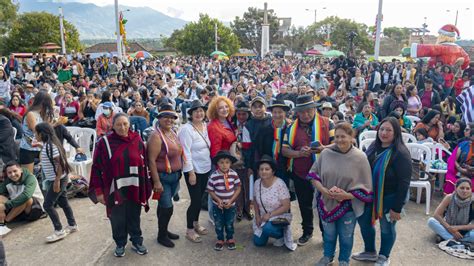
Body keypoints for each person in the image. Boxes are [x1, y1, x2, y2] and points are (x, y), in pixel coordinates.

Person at [310, 123, 373, 266]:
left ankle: (344, 261)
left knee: (346, 236)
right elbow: (314, 175)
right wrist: (324, 191)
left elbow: (367, 187)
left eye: (343, 136)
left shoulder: (360, 157)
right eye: (336, 137)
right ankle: (327, 257)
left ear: (352, 137)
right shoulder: (326, 154)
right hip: (326, 202)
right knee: (329, 234)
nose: (339, 140)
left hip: (348, 206)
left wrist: (346, 196)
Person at [90, 113, 152, 257]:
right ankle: (120, 243)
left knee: (134, 215)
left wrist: (146, 185)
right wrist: (99, 191)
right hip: (114, 188)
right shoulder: (105, 143)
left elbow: (144, 164)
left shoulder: (137, 140)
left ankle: (137, 241)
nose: (122, 127)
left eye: (125, 124)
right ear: (112, 125)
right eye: (119, 124)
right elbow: (96, 168)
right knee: (117, 217)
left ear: (129, 124)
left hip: (134, 186)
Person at [352, 117, 412, 266]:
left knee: (387, 227)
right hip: (371, 194)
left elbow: (404, 183)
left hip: (391, 196)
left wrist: (396, 208)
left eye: (389, 130)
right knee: (364, 221)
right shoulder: (374, 146)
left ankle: (384, 256)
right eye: (382, 129)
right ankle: (370, 252)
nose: (384, 133)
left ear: (396, 132)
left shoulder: (401, 153)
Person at [282, 95, 335, 246]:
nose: (305, 114)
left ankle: (327, 235)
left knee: (325, 205)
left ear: (314, 109)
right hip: (301, 173)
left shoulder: (328, 123)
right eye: (302, 111)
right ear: (297, 112)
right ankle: (307, 232)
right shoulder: (291, 127)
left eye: (308, 111)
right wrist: (299, 153)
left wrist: (322, 148)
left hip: (323, 174)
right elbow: (284, 150)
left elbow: (337, 143)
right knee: (304, 205)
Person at [147, 104, 184, 248]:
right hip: (163, 178)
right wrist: (156, 182)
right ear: (159, 118)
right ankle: (161, 236)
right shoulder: (156, 136)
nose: (169, 120)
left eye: (171, 117)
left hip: (175, 176)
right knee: (167, 207)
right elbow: (151, 160)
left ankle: (164, 230)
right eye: (165, 117)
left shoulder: (172, 132)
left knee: (164, 206)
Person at [35, 122, 77, 243]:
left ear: (41, 134)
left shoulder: (51, 146)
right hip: (56, 179)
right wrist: (40, 146)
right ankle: (72, 225)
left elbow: (60, 165)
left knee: (47, 205)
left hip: (57, 179)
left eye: (36, 133)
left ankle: (59, 230)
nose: (35, 135)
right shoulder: (48, 145)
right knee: (63, 202)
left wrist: (57, 181)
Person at [177, 100, 211, 243]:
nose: (199, 113)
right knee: (195, 201)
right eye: (196, 111)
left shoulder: (205, 126)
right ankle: (189, 230)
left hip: (205, 168)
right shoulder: (186, 129)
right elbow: (185, 152)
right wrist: (190, 172)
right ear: (190, 113)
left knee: (200, 198)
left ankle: (196, 223)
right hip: (193, 170)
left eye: (201, 111)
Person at [252, 155, 296, 250]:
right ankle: (268, 230)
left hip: (280, 217)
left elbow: (286, 206)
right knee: (258, 242)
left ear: (273, 171)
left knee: (268, 229)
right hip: (264, 217)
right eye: (261, 169)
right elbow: (255, 201)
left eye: (267, 169)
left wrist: (270, 214)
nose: (263, 171)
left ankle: (280, 236)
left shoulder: (280, 184)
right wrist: (257, 216)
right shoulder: (257, 183)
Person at [207, 150, 241, 251]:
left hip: (231, 204)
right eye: (221, 162)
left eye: (227, 162)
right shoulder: (213, 176)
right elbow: (210, 190)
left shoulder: (234, 174)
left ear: (230, 163)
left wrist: (231, 200)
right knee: (218, 222)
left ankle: (230, 238)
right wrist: (217, 200)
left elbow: (238, 187)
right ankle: (220, 239)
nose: (224, 165)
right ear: (217, 163)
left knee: (230, 222)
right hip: (217, 205)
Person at [0, 161, 44, 236]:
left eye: (15, 171)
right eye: (9, 173)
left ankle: (4, 223)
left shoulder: (30, 178)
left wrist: (5, 206)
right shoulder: (8, 180)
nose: (13, 174)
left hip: (34, 209)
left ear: (20, 170)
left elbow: (26, 195)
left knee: (26, 199)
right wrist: (1, 209)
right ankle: (2, 221)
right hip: (18, 209)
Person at [428, 178, 473, 243]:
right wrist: (450, 229)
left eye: (468, 188)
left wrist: (457, 228)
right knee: (431, 221)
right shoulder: (449, 197)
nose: (465, 191)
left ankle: (445, 238)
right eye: (462, 188)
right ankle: (456, 241)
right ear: (456, 188)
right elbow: (437, 215)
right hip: (447, 227)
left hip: (464, 231)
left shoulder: (473, 201)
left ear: (471, 190)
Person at [19, 91, 54, 173]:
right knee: (28, 177)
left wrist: (52, 121)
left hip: (40, 147)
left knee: (44, 174)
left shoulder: (41, 114)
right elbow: (37, 131)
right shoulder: (31, 114)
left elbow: (47, 129)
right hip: (28, 148)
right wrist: (53, 124)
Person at [444, 123, 474, 194]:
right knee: (451, 183)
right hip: (459, 171)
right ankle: (449, 203)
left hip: (472, 175)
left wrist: (471, 171)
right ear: (471, 136)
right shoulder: (463, 144)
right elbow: (454, 159)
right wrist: (460, 169)